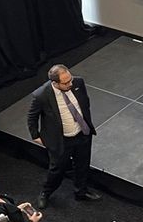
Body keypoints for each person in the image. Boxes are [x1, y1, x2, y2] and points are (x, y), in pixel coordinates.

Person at [27, 64, 100, 209]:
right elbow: (32, 116)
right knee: (57, 169)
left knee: (82, 165)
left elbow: (85, 102)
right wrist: (35, 135)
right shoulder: (41, 95)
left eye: (70, 80)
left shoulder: (78, 82)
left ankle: (81, 192)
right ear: (55, 83)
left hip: (82, 134)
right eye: (66, 83)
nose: (70, 84)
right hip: (61, 140)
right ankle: (45, 193)